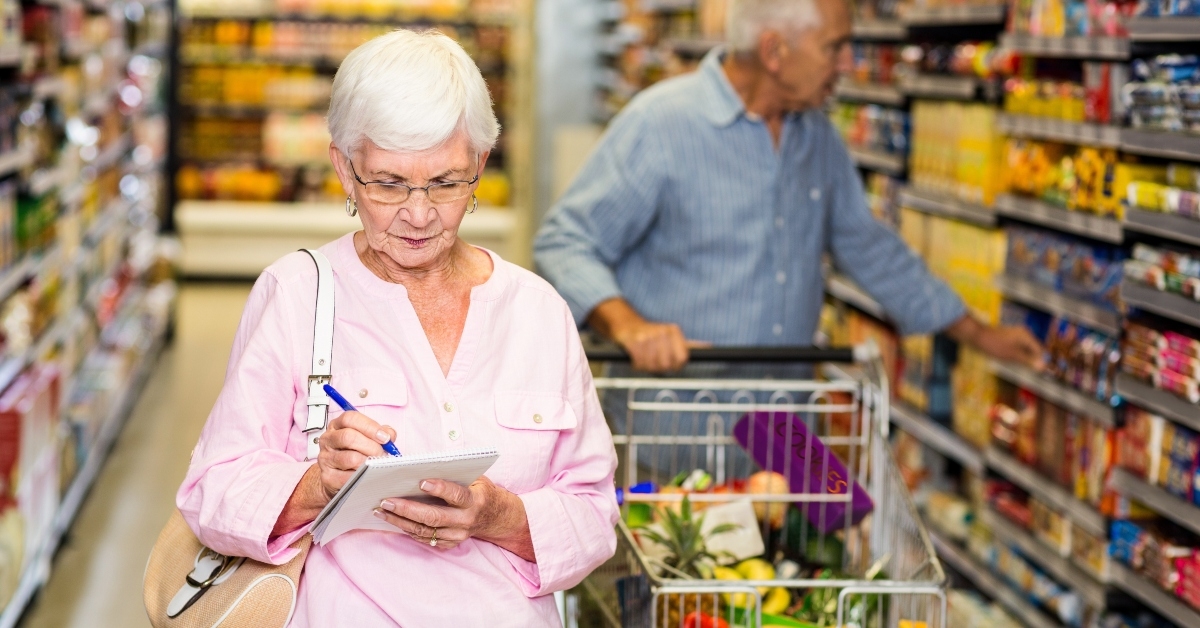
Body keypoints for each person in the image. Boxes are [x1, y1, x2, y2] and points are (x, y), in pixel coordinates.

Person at [176, 30, 618, 627]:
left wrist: (499, 516)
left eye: (445, 182)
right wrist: (316, 483)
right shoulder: (297, 296)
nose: (418, 213)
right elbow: (211, 494)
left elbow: (595, 512)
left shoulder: (537, 310)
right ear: (344, 168)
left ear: (481, 166)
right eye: (387, 183)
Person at [534, 0, 1044, 374]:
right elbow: (565, 241)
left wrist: (979, 334)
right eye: (835, 47)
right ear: (775, 51)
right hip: (679, 434)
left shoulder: (816, 136)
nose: (847, 63)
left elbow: (867, 247)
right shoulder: (661, 124)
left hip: (781, 439)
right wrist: (627, 325)